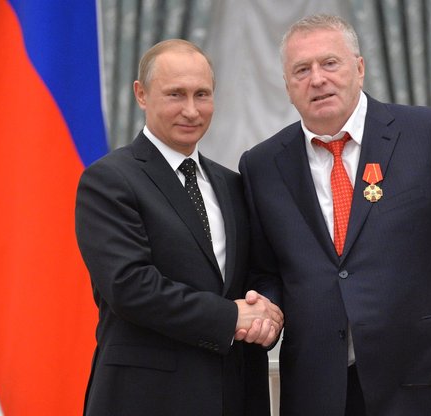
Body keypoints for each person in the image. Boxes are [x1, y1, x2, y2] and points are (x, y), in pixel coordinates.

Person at [238, 14, 431, 416]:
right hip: (319, 393)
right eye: (302, 70)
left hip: (429, 384)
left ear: (359, 68)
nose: (317, 79)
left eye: (329, 63)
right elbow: (266, 271)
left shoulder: (427, 134)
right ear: (287, 87)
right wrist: (265, 307)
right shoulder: (262, 165)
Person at [75, 39, 281, 416]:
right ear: (141, 94)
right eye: (175, 94)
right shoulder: (108, 180)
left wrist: (268, 311)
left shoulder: (232, 184)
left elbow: (258, 272)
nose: (191, 110)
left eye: (202, 94)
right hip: (147, 399)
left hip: (234, 394)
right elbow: (130, 286)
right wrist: (231, 317)